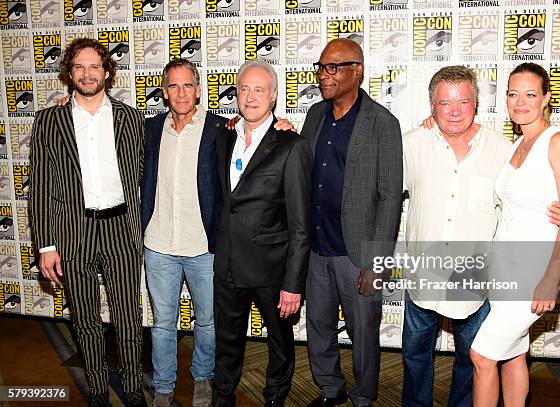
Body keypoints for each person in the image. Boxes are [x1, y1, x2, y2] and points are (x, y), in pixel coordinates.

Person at [402, 65, 560, 407]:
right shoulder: (411, 144)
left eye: (463, 101)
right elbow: (382, 195)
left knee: (472, 360)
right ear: (432, 106)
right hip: (423, 273)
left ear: (476, 103)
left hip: (476, 276)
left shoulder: (503, 150)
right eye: (445, 103)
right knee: (416, 357)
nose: (455, 110)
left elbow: (526, 195)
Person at [30, 38, 146, 407]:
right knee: (84, 318)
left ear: (107, 72)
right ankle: (96, 388)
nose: (87, 73)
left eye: (94, 66)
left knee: (128, 318)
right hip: (72, 233)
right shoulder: (51, 119)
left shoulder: (130, 118)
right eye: (79, 66)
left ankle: (131, 387)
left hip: (120, 229)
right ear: (69, 73)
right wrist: (46, 247)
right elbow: (41, 187)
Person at [470, 63, 560, 407]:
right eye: (512, 94)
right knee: (513, 354)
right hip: (505, 268)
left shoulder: (558, 142)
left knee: (481, 356)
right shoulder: (517, 143)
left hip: (535, 272)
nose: (520, 102)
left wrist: (552, 279)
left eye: (530, 94)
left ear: (547, 98)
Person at [301, 38, 403, 407]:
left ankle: (363, 397)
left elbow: (391, 197)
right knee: (318, 327)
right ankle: (331, 389)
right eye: (320, 67)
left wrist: (376, 263)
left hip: (357, 253)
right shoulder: (314, 116)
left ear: (356, 71)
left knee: (363, 333)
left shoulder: (382, 123)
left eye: (332, 68)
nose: (322, 75)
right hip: (316, 248)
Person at [212, 59, 312, 407]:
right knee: (226, 342)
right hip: (226, 263)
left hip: (272, 268)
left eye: (259, 90)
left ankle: (274, 399)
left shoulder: (292, 145)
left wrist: (293, 284)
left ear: (273, 98)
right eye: (243, 89)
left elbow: (301, 225)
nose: (250, 97)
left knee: (280, 345)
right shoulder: (224, 136)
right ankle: (221, 399)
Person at [141, 58, 227, 407]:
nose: (180, 93)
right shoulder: (148, 129)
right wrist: (63, 108)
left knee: (207, 322)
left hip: (203, 245)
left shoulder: (221, 129)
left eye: (187, 85)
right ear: (164, 92)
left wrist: (281, 125)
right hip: (158, 243)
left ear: (198, 89)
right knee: (163, 323)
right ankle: (164, 387)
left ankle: (203, 379)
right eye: (173, 86)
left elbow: (259, 139)